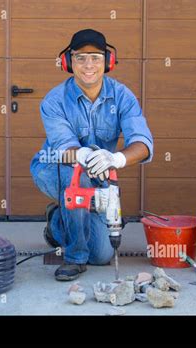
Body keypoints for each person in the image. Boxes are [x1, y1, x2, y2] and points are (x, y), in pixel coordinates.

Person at [30, 29, 154, 281]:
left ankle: (57, 223)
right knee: (74, 172)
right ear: (68, 62)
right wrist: (85, 154)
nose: (88, 65)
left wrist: (116, 159)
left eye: (96, 57)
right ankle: (74, 258)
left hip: (98, 174)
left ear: (107, 62)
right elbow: (65, 147)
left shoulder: (122, 96)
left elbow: (143, 143)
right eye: (80, 57)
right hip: (53, 167)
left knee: (100, 255)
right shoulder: (54, 100)